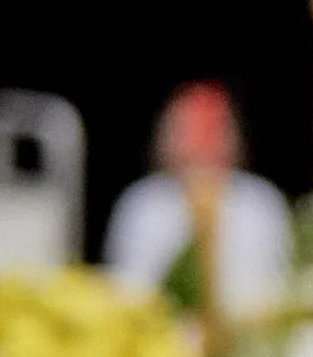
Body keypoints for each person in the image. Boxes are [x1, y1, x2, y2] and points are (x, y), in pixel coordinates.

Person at [102, 83, 291, 319]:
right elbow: (124, 294)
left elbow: (277, 290)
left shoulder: (261, 203)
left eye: (213, 132)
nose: (200, 147)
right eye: (187, 132)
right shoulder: (141, 205)